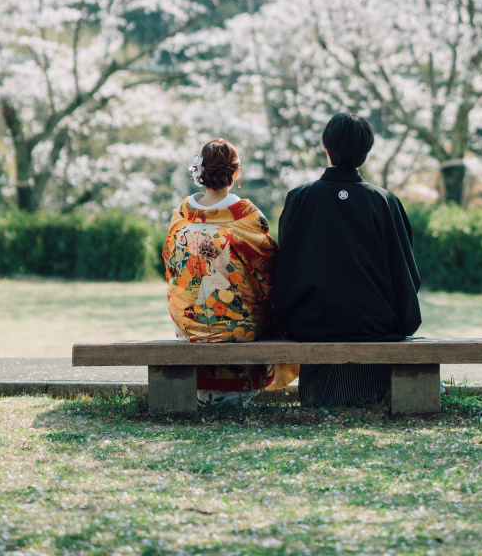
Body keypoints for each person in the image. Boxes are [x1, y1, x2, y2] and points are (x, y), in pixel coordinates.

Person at [273, 112, 422, 408]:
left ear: (325, 147)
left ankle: (319, 398)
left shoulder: (300, 198)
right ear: (366, 152)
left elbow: (285, 269)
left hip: (311, 324)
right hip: (375, 325)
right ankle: (371, 395)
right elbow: (406, 274)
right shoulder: (386, 202)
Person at [163, 138, 297, 404]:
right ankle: (242, 388)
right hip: (240, 331)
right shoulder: (247, 217)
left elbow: (171, 267)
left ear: (199, 173)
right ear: (236, 174)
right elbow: (270, 275)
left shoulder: (181, 215)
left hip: (191, 328)